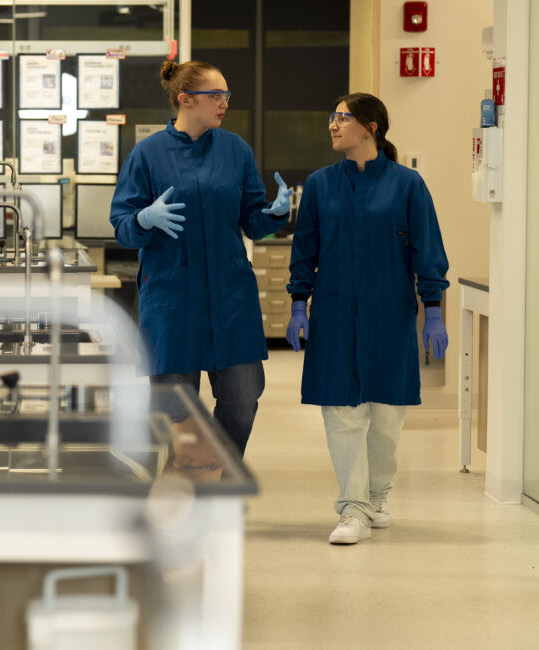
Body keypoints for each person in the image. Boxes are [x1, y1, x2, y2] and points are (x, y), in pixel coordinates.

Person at [285, 92, 450, 545]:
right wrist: (299, 304)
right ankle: (352, 509)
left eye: (343, 118)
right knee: (341, 412)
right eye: (332, 117)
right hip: (335, 314)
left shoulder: (407, 185)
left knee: (385, 415)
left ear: (371, 127)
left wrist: (432, 312)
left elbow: (428, 252)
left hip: (389, 314)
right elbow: (305, 251)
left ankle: (377, 495)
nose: (333, 126)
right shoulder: (321, 184)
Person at [109, 60, 293, 457]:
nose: (225, 103)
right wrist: (143, 218)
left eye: (227, 95)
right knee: (177, 412)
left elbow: (252, 221)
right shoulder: (147, 155)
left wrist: (274, 215)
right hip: (173, 300)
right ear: (186, 100)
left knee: (243, 401)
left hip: (230, 299)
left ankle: (218, 482)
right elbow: (122, 225)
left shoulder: (235, 150)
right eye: (216, 95)